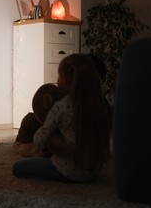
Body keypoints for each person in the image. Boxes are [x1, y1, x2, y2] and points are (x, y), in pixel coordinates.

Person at [13, 54, 111, 183]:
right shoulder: (100, 106)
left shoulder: (62, 106)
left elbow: (39, 140)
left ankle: (58, 177)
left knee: (18, 168)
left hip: (66, 169)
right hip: (92, 173)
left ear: (63, 78)